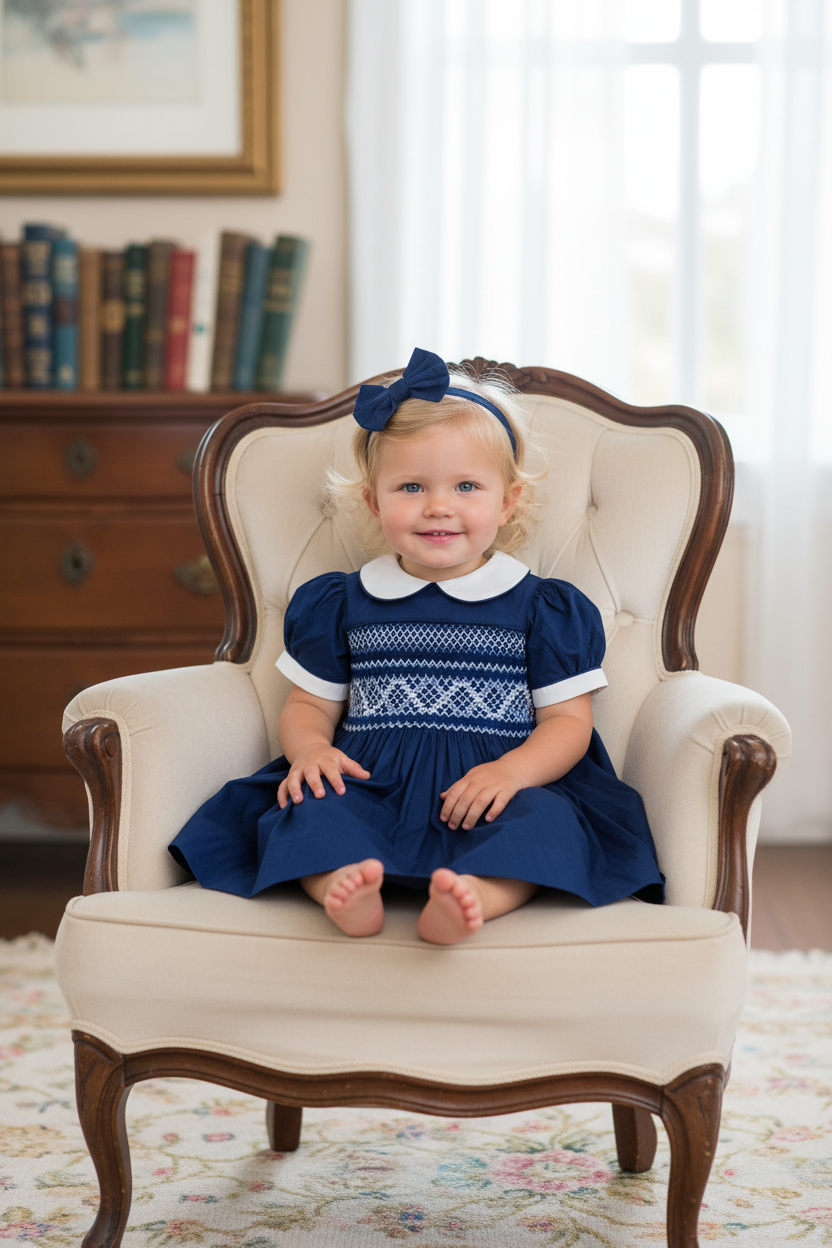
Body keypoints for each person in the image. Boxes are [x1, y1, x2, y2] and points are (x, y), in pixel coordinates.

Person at [169, 347, 664, 944]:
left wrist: (512, 773)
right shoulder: (343, 602)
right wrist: (310, 751)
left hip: (492, 786)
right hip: (370, 782)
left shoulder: (541, 607)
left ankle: (474, 895)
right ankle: (344, 887)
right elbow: (309, 705)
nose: (438, 506)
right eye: (411, 486)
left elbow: (568, 723)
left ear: (507, 501)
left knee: (546, 822)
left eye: (466, 486)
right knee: (311, 809)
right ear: (374, 501)